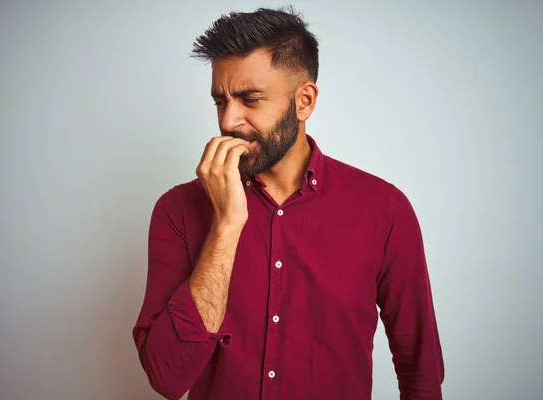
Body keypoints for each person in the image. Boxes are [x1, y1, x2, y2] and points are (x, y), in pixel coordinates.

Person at [133, 6, 444, 400]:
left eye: (250, 99)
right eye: (220, 101)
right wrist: (226, 226)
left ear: (304, 101)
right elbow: (167, 379)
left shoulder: (385, 211)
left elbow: (421, 376)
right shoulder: (177, 210)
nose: (229, 120)